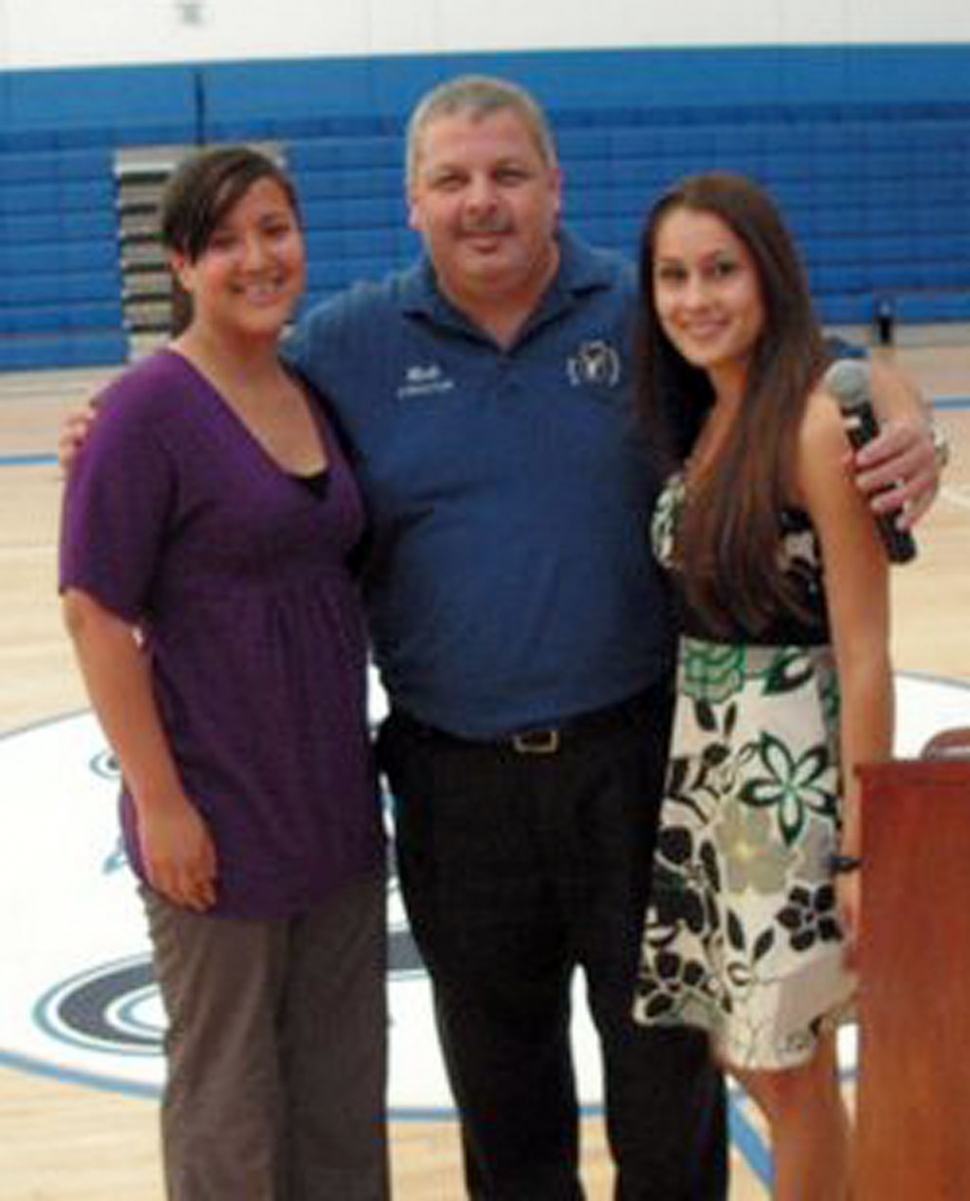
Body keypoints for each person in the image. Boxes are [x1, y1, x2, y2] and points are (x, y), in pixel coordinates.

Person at [60, 78, 941, 1200]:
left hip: (639, 770)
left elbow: (797, 365)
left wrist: (904, 411)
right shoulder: (345, 345)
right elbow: (212, 388)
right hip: (452, 783)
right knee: (504, 1099)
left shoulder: (647, 314)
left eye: (507, 175)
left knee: (666, 1091)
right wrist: (114, 415)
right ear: (410, 203)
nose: (482, 202)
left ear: (554, 187)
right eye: (452, 180)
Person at [59, 147, 389, 1201]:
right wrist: (161, 803)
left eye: (276, 229)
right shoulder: (144, 413)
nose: (258, 258)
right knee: (229, 1112)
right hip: (217, 814)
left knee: (340, 1103)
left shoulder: (311, 391)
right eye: (226, 241)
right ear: (182, 264)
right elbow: (94, 613)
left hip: (332, 807)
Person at [630, 171, 893, 1200]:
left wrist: (862, 847)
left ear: (769, 277)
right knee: (746, 1053)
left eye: (720, 271)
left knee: (787, 1070)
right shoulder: (708, 415)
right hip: (711, 769)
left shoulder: (815, 421)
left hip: (789, 782)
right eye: (673, 275)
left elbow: (864, 650)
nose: (696, 297)